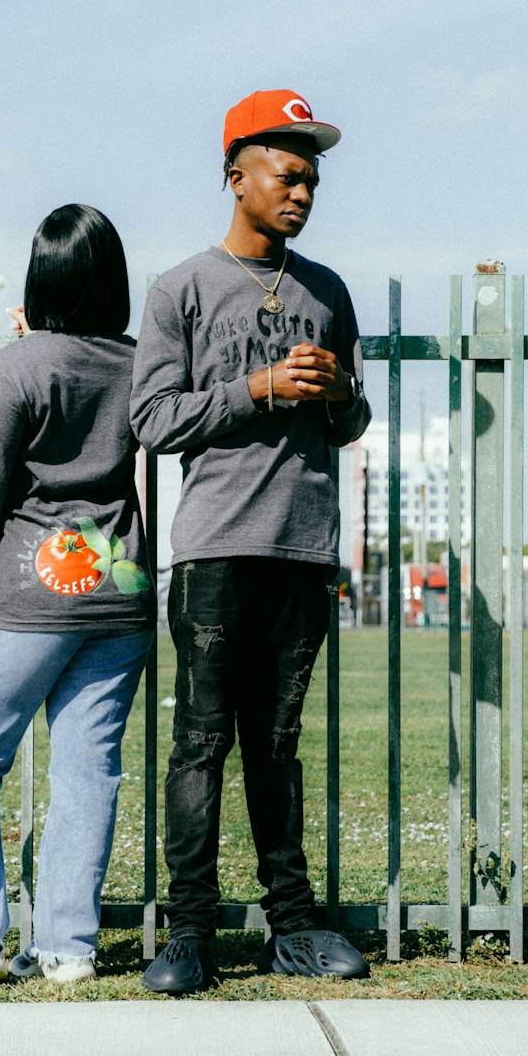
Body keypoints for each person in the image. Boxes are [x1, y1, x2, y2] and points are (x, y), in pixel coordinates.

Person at [130, 88, 372, 994]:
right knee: (199, 746)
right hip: (215, 552)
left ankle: (293, 929)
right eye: (286, 173)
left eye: (311, 179)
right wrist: (261, 387)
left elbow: (352, 423)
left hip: (303, 550)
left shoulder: (329, 291)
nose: (302, 191)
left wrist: (338, 395)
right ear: (237, 175)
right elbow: (153, 419)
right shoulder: (182, 288)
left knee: (275, 746)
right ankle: (188, 934)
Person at [0, 204, 155, 986]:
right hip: (119, 593)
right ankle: (68, 949)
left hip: (25, 599)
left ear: (38, 281)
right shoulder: (139, 364)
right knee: (88, 772)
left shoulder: (16, 368)